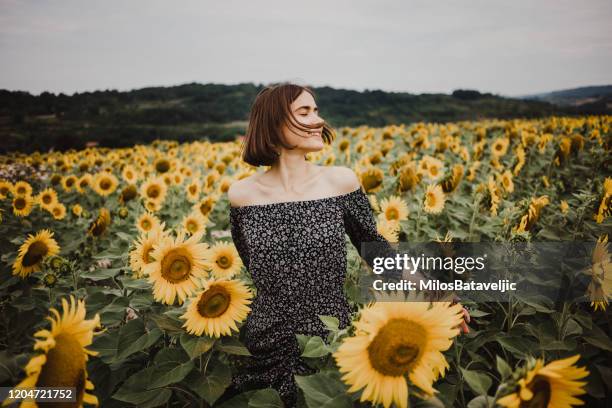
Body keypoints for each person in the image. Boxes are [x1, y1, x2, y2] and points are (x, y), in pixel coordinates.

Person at [219, 83, 470, 407]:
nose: (318, 120)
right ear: (274, 123)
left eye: (317, 110)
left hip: (329, 342)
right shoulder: (242, 196)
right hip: (266, 345)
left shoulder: (339, 182)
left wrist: (437, 296)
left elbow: (376, 251)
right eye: (304, 112)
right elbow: (254, 268)